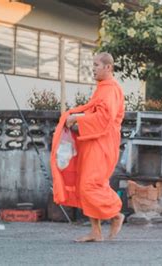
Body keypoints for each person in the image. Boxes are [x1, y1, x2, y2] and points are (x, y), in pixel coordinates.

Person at [51, 52, 125, 242]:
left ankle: (116, 214)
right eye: (93, 65)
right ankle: (96, 231)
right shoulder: (102, 88)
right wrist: (77, 118)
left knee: (90, 184)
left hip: (103, 142)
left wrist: (77, 118)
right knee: (83, 182)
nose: (93, 69)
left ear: (108, 67)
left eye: (96, 65)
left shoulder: (111, 89)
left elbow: (104, 118)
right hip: (91, 140)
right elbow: (95, 112)